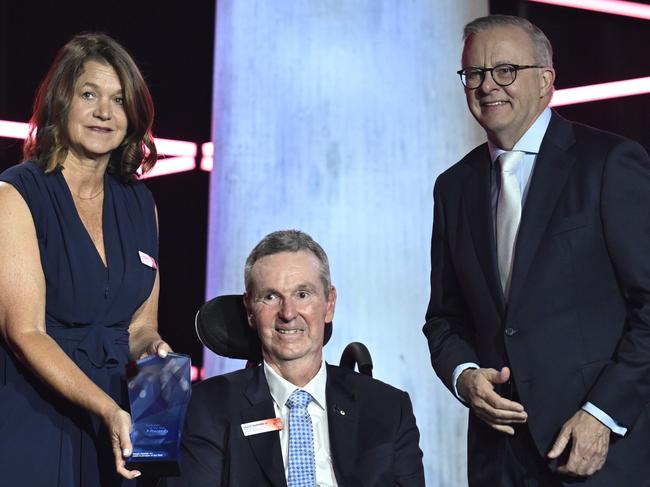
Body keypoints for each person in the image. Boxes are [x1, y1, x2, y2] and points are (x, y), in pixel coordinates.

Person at [423, 14, 650, 487]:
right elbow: (444, 318)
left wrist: (603, 415)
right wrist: (465, 377)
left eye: (505, 70)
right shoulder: (453, 187)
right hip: (499, 459)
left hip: (598, 452)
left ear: (546, 81)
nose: (488, 86)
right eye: (475, 74)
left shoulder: (609, 163)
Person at [0, 33, 171, 486]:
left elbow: (139, 326)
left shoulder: (141, 203)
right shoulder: (16, 194)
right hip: (34, 412)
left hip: (119, 421)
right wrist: (103, 406)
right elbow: (25, 333)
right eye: (89, 94)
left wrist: (154, 351)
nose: (104, 113)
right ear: (61, 102)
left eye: (118, 100)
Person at [165, 230, 425, 486]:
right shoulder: (209, 406)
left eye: (302, 294)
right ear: (250, 312)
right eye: (271, 297)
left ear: (329, 304)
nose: (288, 313)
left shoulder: (389, 407)